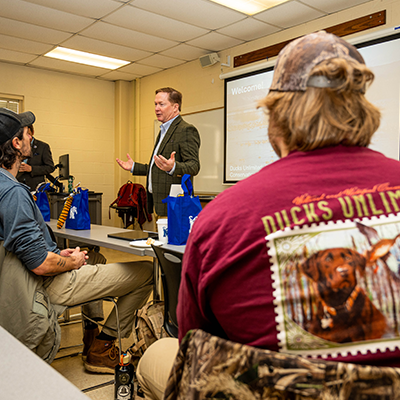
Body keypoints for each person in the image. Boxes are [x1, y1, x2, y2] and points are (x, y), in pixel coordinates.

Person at [136, 31, 400, 399]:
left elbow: (194, 348)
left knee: (157, 355)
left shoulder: (221, 219)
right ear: (364, 111)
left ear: (276, 116)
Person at [0, 107, 154, 373]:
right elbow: (40, 264)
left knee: (95, 257)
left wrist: (64, 256)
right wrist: (68, 262)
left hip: (16, 280)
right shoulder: (13, 193)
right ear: (16, 144)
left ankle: (91, 337)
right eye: (27, 133)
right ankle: (103, 346)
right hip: (42, 284)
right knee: (147, 272)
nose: (31, 139)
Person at [116, 87, 201, 217]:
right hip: (159, 204)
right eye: (155, 104)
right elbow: (157, 167)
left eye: (162, 104)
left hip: (174, 206)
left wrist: (174, 167)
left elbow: (194, 166)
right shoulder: (163, 130)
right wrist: (134, 167)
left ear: (175, 107)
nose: (156, 108)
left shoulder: (186, 130)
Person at [17, 123, 55, 191]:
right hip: (19, 185)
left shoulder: (43, 147)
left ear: (33, 132)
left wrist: (31, 169)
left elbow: (50, 167)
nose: (26, 137)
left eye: (28, 134)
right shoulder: (16, 146)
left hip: (36, 188)